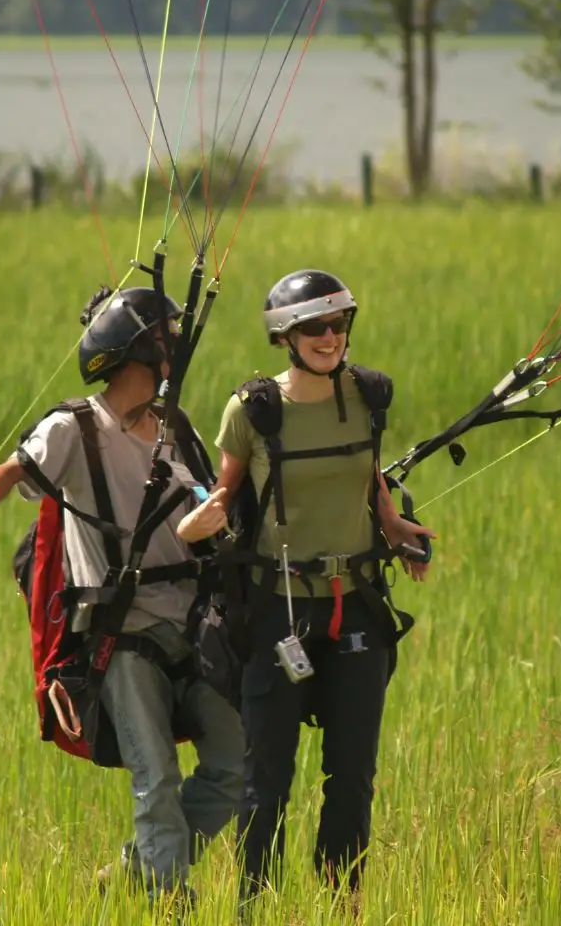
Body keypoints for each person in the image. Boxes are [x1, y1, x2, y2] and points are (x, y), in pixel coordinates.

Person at [0, 285, 244, 910]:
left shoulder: (179, 427)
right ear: (137, 350)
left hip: (192, 628)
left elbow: (212, 502)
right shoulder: (73, 428)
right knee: (156, 776)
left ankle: (137, 868)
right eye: (165, 338)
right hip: (124, 637)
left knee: (235, 764)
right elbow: (11, 476)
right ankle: (169, 899)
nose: (176, 349)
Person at [175, 269, 436, 911]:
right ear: (285, 337)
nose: (330, 336)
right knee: (267, 781)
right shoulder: (256, 409)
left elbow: (368, 478)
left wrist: (396, 526)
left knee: (351, 778)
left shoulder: (368, 395)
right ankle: (253, 906)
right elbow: (225, 496)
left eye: (338, 323)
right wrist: (193, 525)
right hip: (278, 616)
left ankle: (339, 902)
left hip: (356, 608)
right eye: (314, 327)